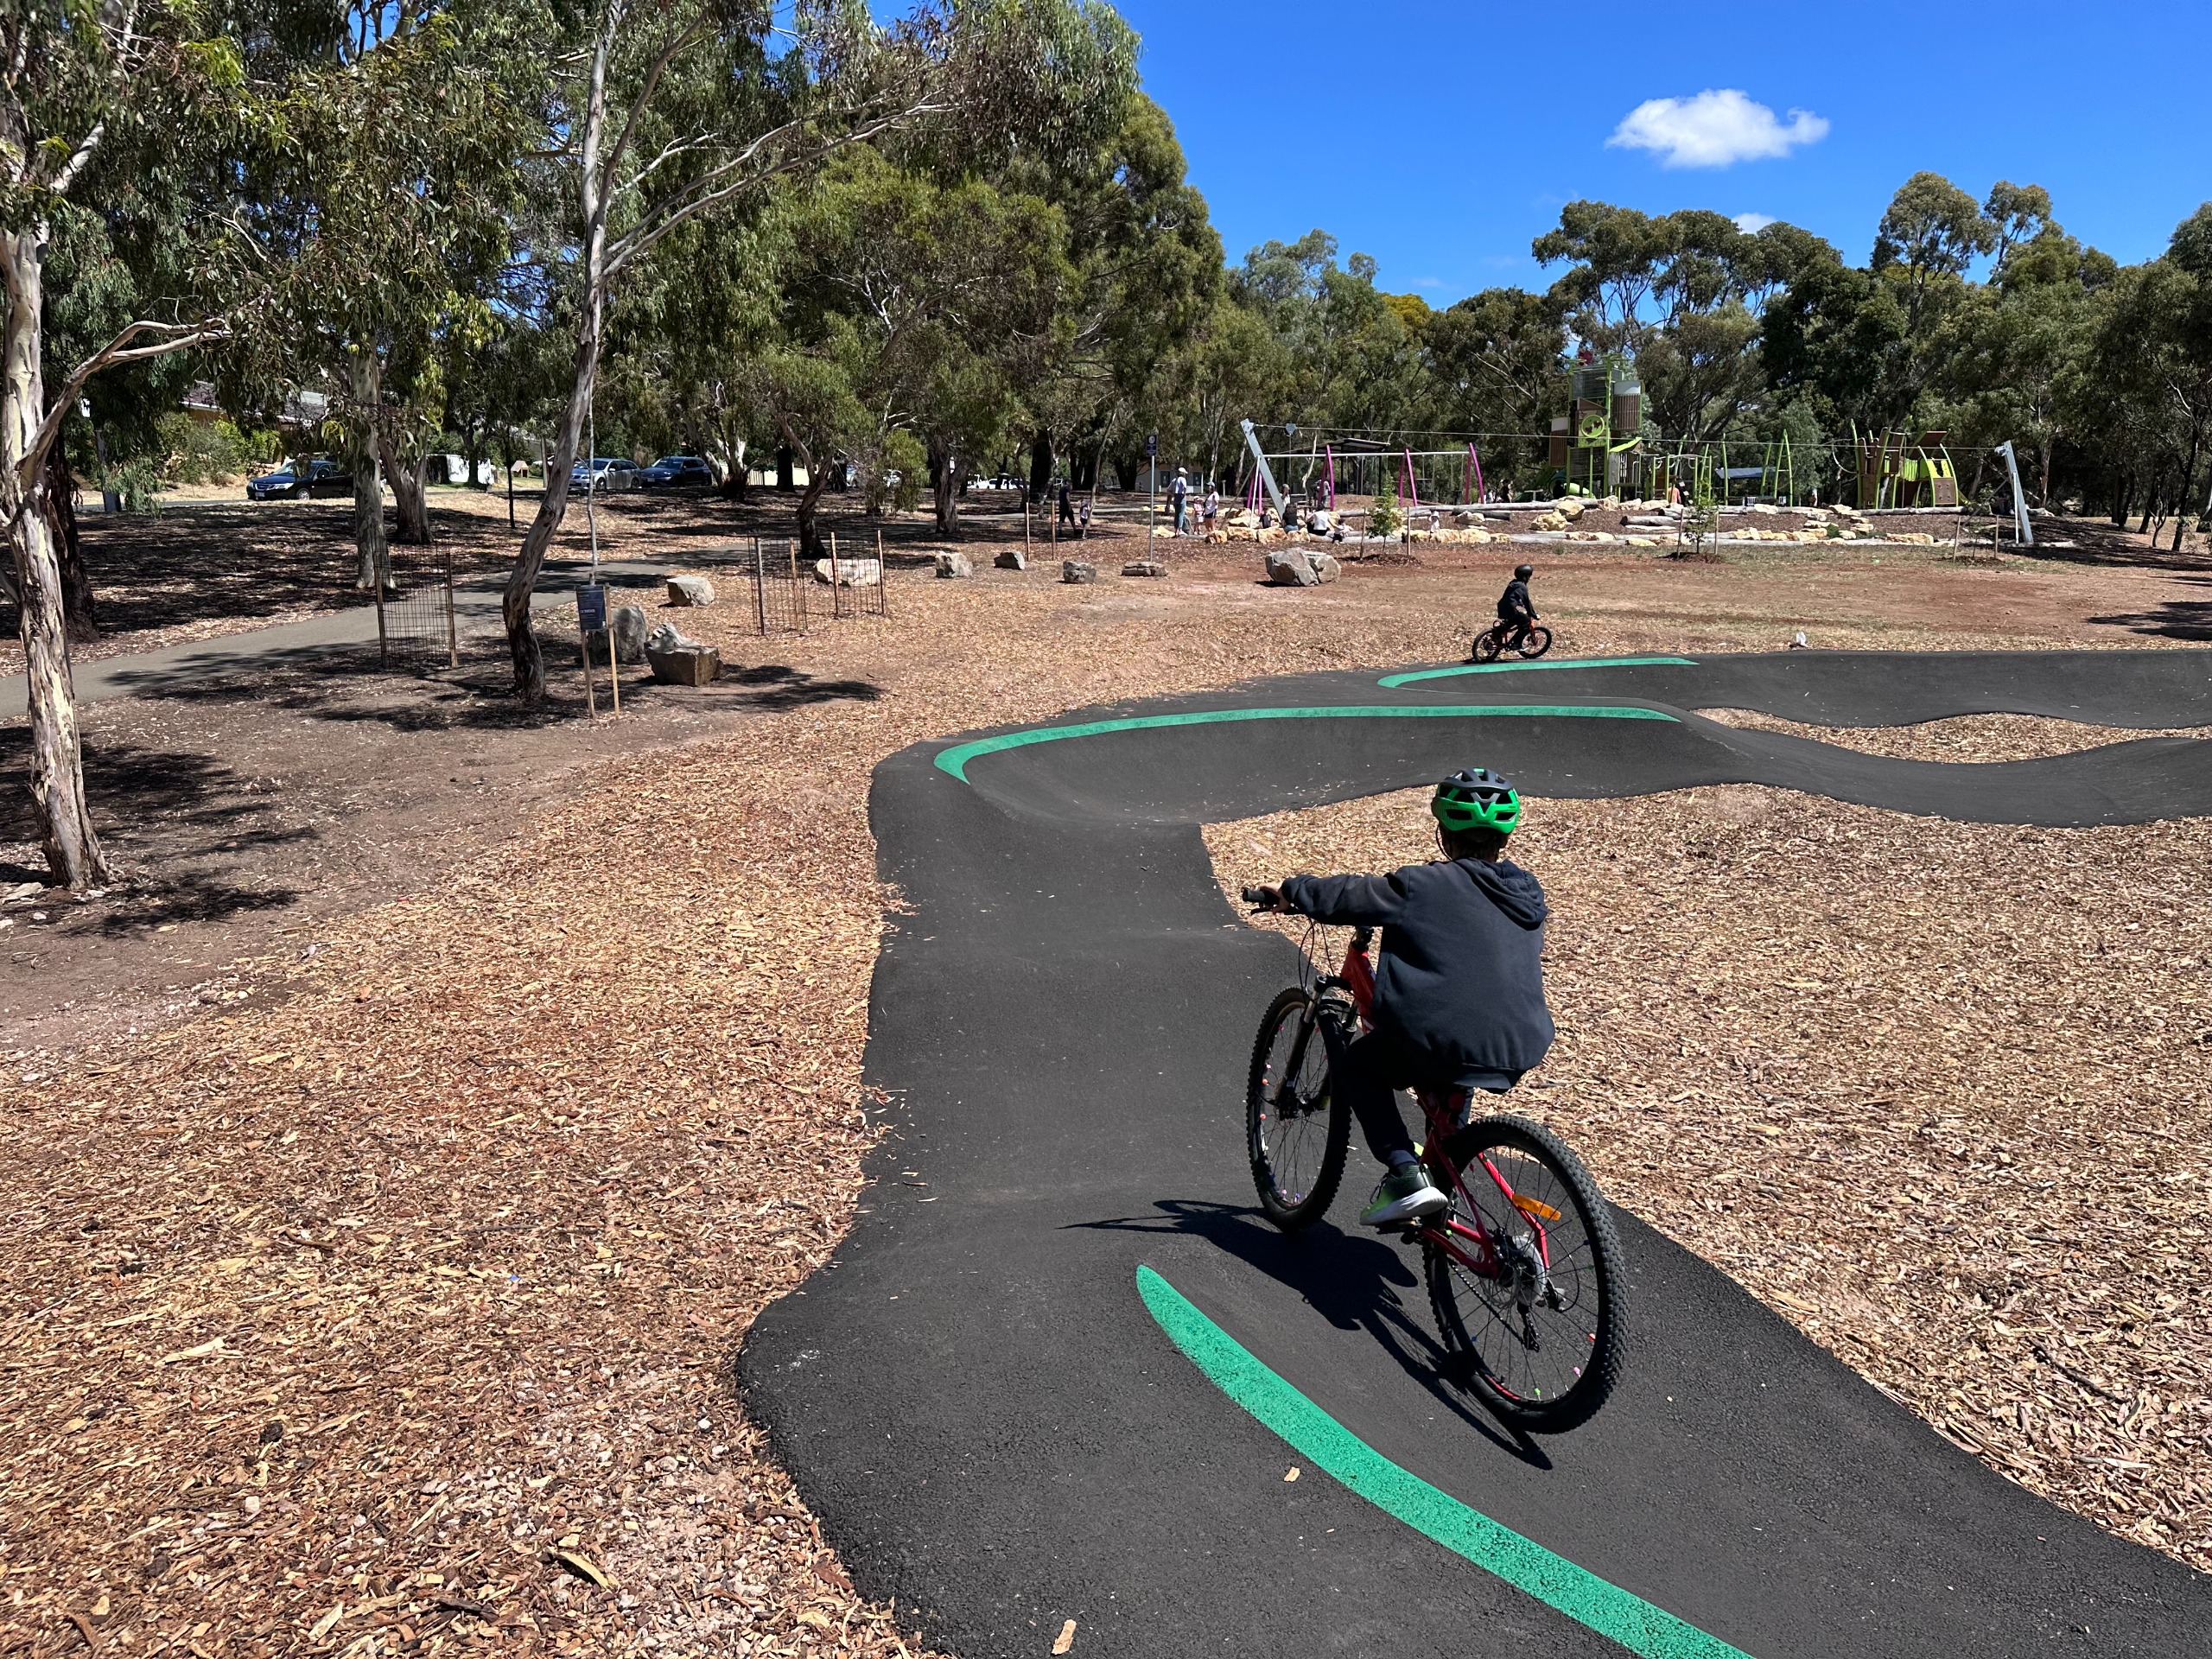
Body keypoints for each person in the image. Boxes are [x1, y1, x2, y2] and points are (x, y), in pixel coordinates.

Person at [1249, 771, 1554, 1226]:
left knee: (1359, 1065)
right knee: (1457, 1057)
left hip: (1442, 1038)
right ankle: (1443, 1169)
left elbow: (1352, 894)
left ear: (1443, 832)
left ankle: (1406, 1173)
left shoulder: (1422, 886)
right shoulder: (1527, 894)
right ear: (1504, 838)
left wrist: (1292, 891)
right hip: (1520, 1041)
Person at [1496, 563, 1537, 650]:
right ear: (1525, 577)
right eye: (1529, 576)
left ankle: (1497, 633)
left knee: (1514, 620)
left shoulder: (1513, 583)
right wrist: (1533, 614)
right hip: (1510, 609)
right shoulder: (1523, 587)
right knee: (1526, 623)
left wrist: (1519, 603)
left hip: (1502, 607)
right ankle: (1516, 644)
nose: (1529, 578)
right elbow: (1527, 602)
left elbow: (1512, 596)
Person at [1169, 467, 1190, 533]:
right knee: (1181, 514)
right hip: (1181, 497)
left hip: (1176, 497)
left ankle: (1176, 529)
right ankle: (1180, 529)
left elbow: (1168, 490)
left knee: (1177, 514)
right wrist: (1184, 493)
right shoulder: (1183, 479)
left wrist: (1173, 495)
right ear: (1183, 473)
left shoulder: (1174, 480)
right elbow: (1185, 487)